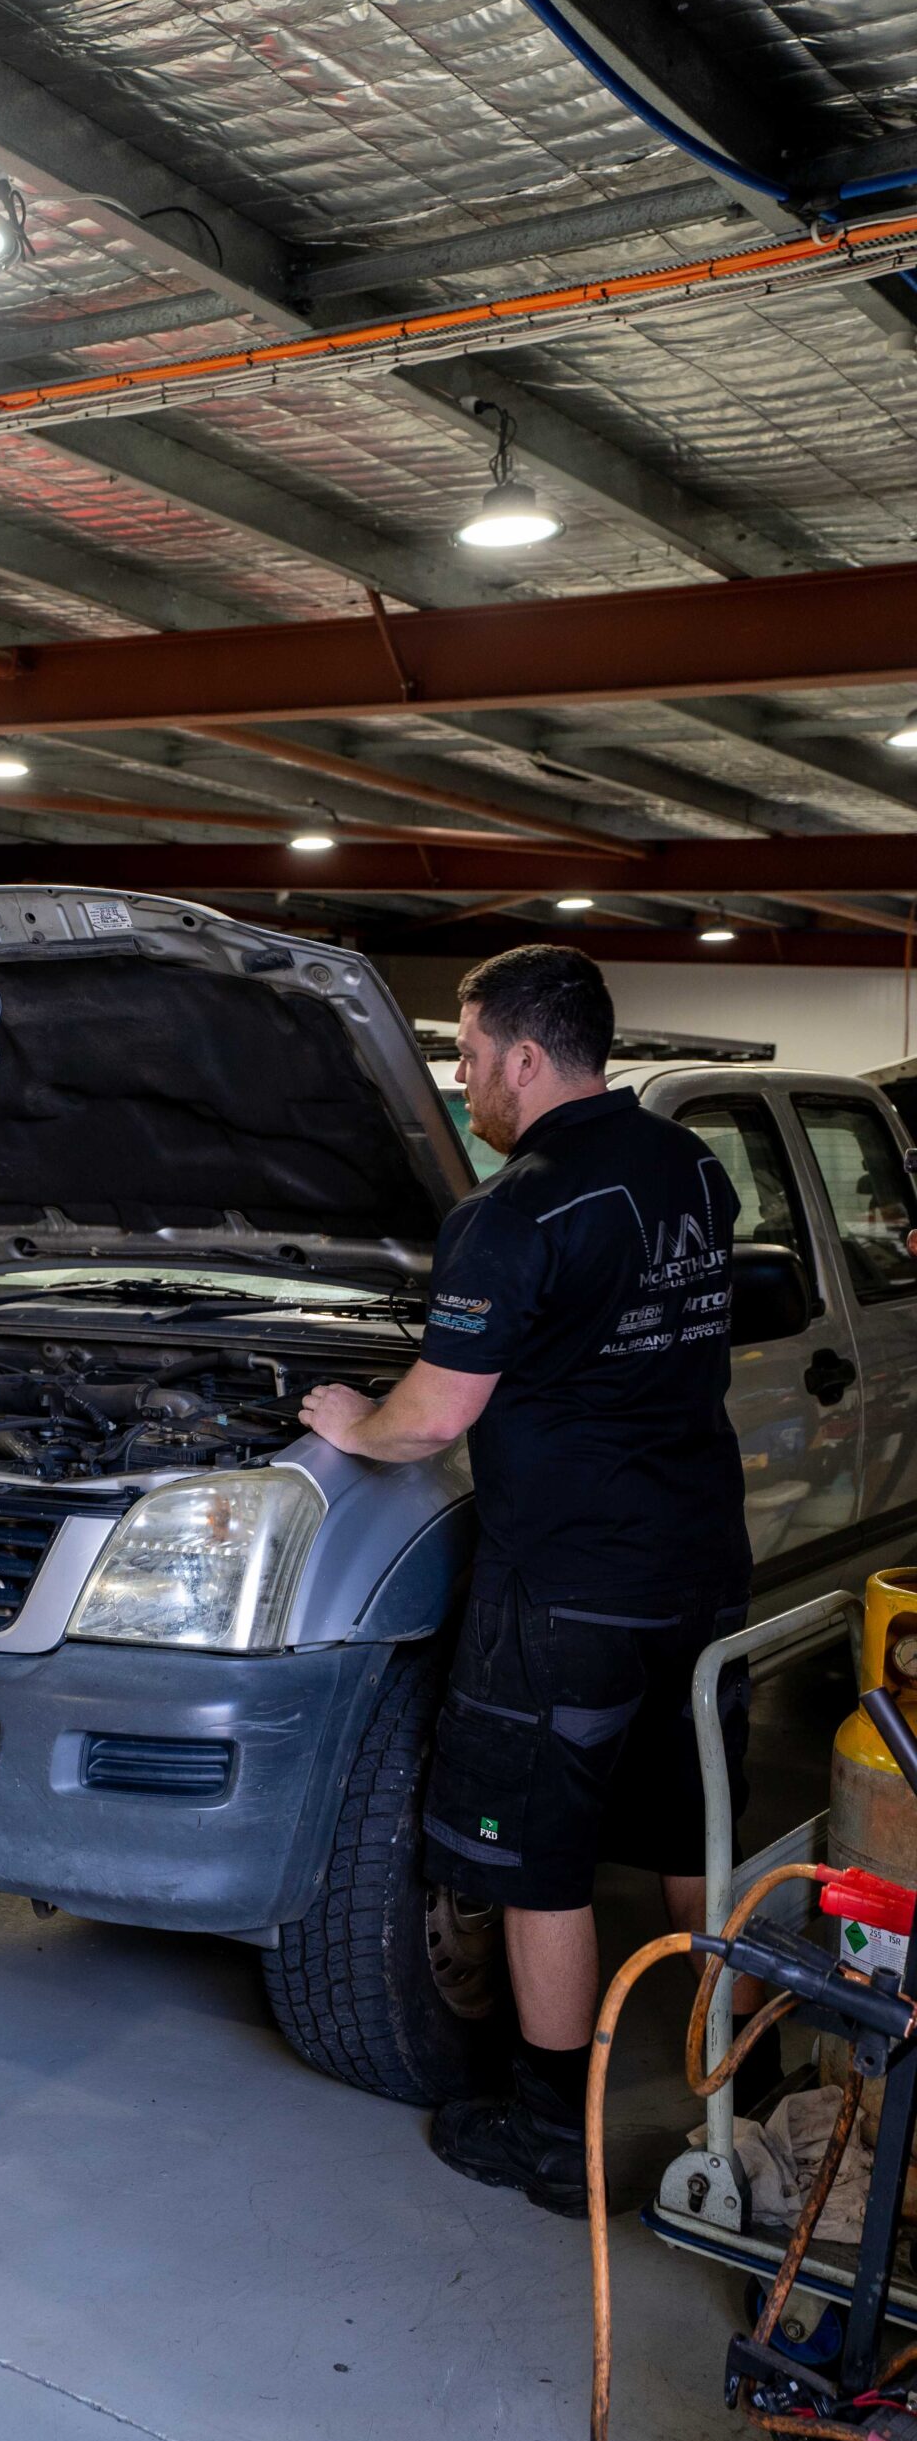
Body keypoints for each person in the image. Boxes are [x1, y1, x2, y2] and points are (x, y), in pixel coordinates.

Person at [298, 945, 751, 2217]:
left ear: (527, 1058)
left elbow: (432, 1418)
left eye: (470, 1050)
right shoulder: (692, 1167)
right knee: (691, 1821)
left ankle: (554, 2129)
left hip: (565, 1586)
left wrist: (349, 1422)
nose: (462, 1076)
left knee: (531, 1854)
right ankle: (745, 2074)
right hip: (702, 1561)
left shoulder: (514, 1211)